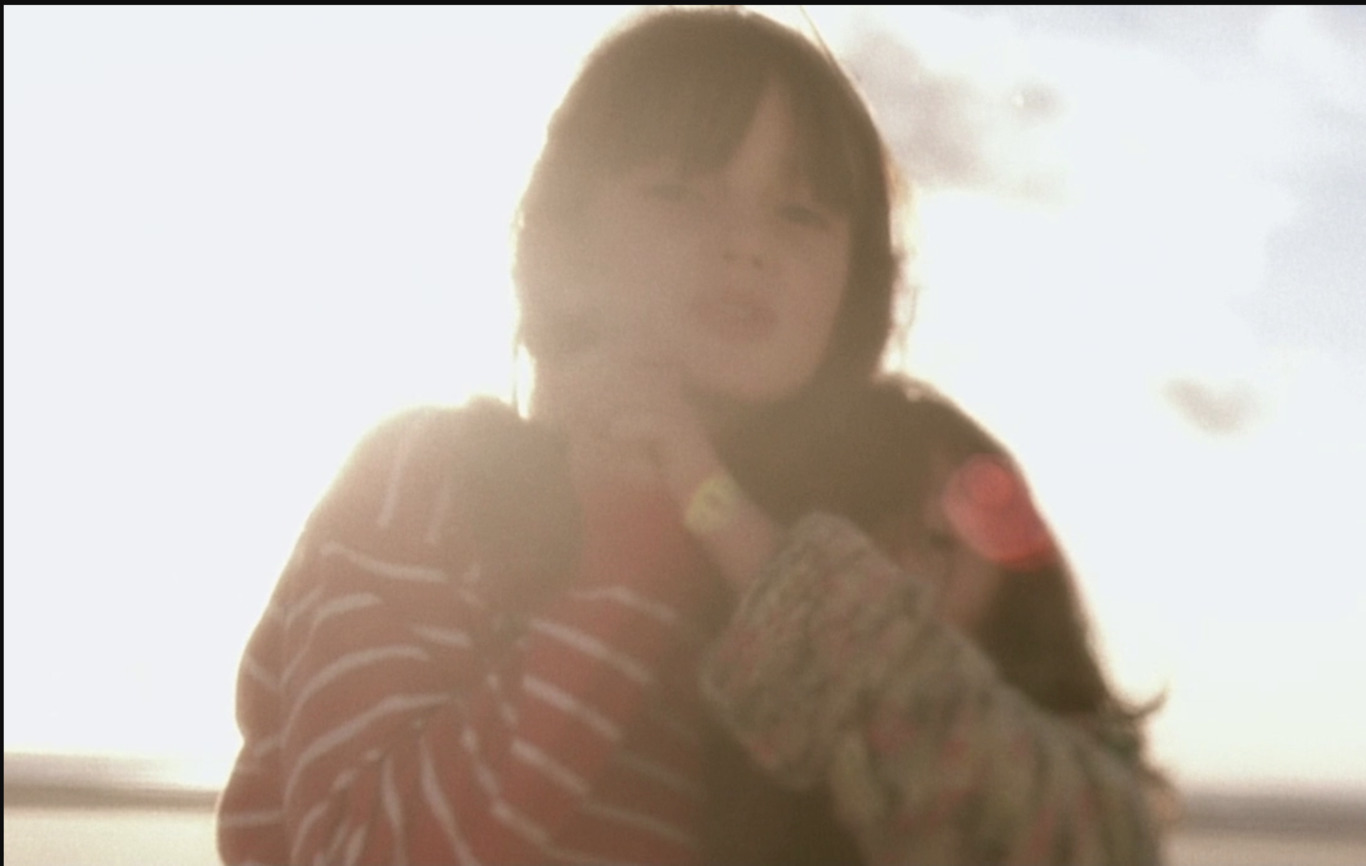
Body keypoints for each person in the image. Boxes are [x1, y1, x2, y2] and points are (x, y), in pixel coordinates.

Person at [216, 7, 1163, 865]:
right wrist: (623, 562)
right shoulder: (430, 479)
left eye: (799, 211)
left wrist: (740, 543)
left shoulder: (815, 546)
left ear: (853, 290)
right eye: (679, 190)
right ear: (566, 235)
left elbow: (1094, 841)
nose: (747, 241)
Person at [697, 376, 1171, 866]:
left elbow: (955, 749)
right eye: (867, 537)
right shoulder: (723, 764)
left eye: (938, 542)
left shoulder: (1095, 804)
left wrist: (694, 476)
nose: (896, 575)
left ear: (1011, 572)